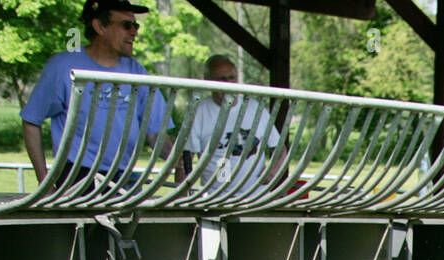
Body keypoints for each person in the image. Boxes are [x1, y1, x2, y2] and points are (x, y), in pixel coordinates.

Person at [21, 0, 173, 187]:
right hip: (75, 176)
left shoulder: (137, 72)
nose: (134, 32)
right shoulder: (62, 67)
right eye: (126, 25)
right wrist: (44, 183)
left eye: (136, 25)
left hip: (121, 177)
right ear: (100, 26)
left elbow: (156, 132)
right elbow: (31, 121)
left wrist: (177, 159)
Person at [183, 54, 283, 195]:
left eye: (232, 78)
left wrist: (272, 173)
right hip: (214, 198)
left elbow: (280, 150)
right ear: (208, 81)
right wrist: (181, 199)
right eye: (222, 79)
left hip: (255, 197)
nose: (228, 83)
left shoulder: (255, 108)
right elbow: (185, 159)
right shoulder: (199, 111)